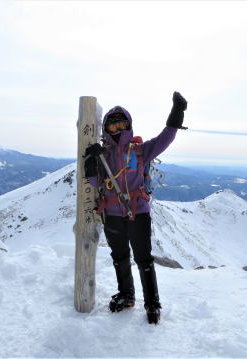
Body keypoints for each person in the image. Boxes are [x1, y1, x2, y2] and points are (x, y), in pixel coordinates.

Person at [83, 91, 187, 324]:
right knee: (119, 257)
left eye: (121, 124)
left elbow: (166, 138)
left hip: (137, 213)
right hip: (111, 214)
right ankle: (127, 296)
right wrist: (91, 162)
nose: (117, 129)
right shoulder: (103, 155)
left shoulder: (140, 151)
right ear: (105, 129)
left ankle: (152, 304)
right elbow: (94, 183)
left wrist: (177, 111)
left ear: (129, 125)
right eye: (112, 125)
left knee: (143, 259)